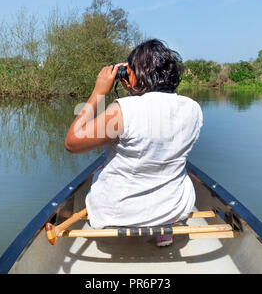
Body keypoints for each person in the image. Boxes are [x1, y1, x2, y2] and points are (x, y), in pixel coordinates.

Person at [64, 39, 203, 246]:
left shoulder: (124, 110)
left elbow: (73, 142)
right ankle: (164, 227)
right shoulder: (193, 109)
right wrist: (136, 87)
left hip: (118, 212)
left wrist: (99, 92)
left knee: (103, 169)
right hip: (174, 207)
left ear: (138, 74)